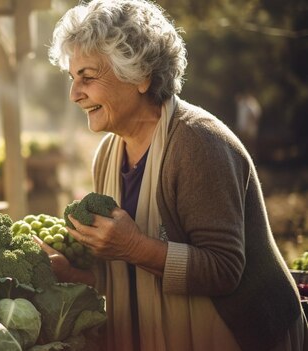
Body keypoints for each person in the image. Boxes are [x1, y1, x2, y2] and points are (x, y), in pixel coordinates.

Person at [35, 0, 308, 350]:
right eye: (73, 78)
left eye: (87, 76)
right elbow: (129, 278)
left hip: (240, 337)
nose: (74, 94)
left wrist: (133, 245)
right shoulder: (107, 154)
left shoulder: (197, 142)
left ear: (141, 75)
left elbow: (224, 270)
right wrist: (69, 273)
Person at [235, 91, 262, 161]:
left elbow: (254, 117)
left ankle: (251, 162)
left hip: (248, 130)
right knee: (245, 147)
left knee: (249, 147)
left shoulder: (251, 105)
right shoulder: (243, 105)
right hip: (244, 129)